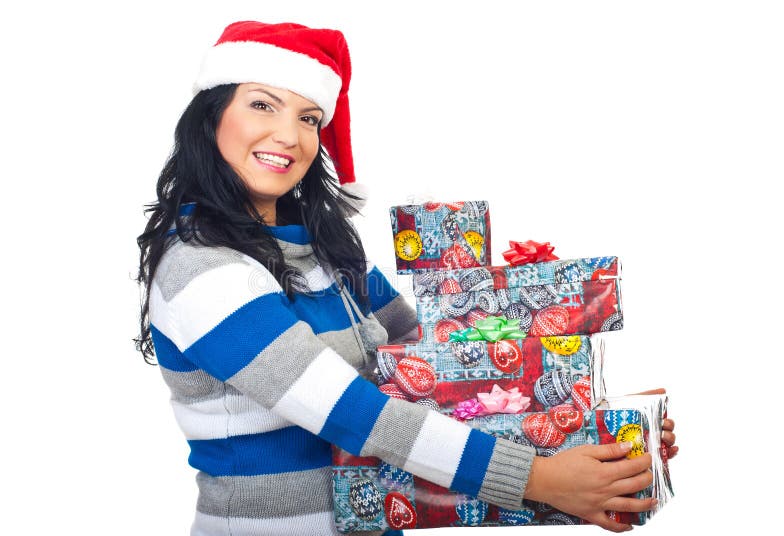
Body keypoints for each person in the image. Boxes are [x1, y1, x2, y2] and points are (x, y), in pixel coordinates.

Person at [135, 21, 677, 536]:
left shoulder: (329, 253)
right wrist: (540, 477)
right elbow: (357, 416)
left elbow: (438, 373)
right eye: (261, 105)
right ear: (210, 116)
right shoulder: (202, 268)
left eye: (309, 118)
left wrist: (595, 424)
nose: (290, 135)